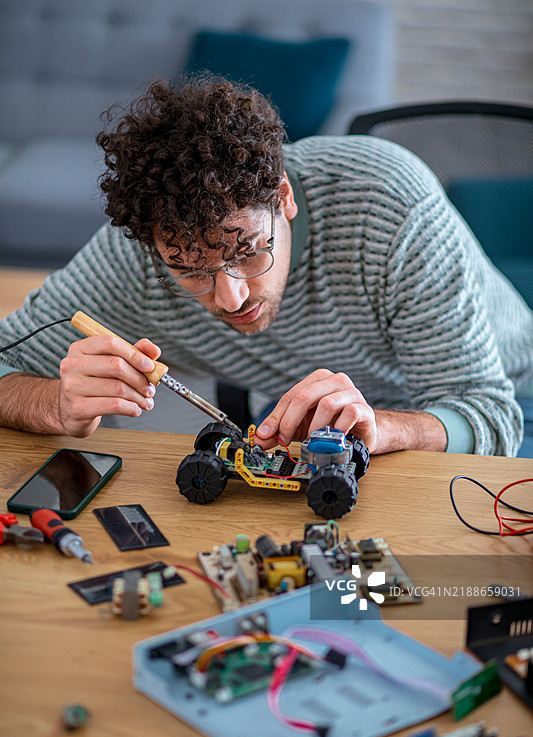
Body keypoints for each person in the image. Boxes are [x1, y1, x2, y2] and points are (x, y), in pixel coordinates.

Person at [1, 76, 532, 456]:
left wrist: (382, 426)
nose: (230, 300)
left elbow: (491, 416)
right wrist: (56, 404)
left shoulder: (389, 205)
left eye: (248, 252)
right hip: (323, 427)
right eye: (190, 271)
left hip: (506, 391)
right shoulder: (131, 259)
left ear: (283, 197)